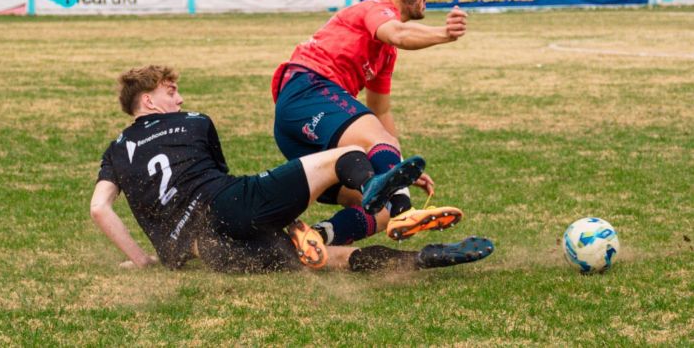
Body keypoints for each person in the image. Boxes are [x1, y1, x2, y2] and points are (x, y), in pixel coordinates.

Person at [90, 65, 494, 273]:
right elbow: (218, 179)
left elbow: (99, 209)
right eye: (170, 91)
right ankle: (378, 189)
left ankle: (415, 261)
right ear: (148, 101)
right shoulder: (196, 120)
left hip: (209, 252)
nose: (179, 97)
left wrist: (143, 260)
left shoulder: (115, 151)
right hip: (229, 206)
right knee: (346, 153)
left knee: (324, 258)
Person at [271, 0, 468, 246]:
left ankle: (314, 239)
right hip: (308, 90)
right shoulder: (375, 7)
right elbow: (398, 33)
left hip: (301, 131)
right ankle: (405, 211)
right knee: (387, 184)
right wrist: (444, 34)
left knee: (380, 209)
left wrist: (400, 168)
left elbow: (381, 110)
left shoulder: (385, 52)